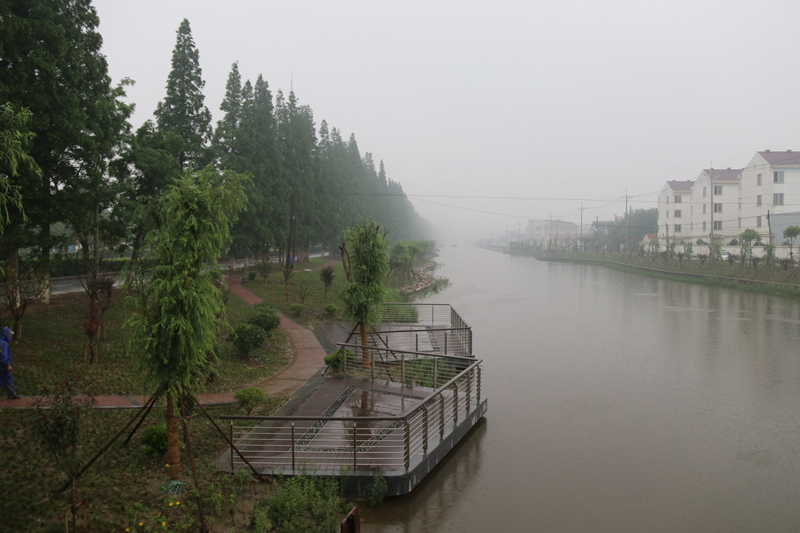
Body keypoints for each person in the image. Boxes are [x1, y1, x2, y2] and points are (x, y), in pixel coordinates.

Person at [0, 326, 20, 399]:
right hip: (3, 366)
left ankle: (12, 394)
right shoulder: (3, 344)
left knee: (8, 379)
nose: (9, 336)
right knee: (2, 379)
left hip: (3, 366)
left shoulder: (2, 342)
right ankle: (12, 394)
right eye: (9, 334)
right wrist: (8, 364)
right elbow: (3, 355)